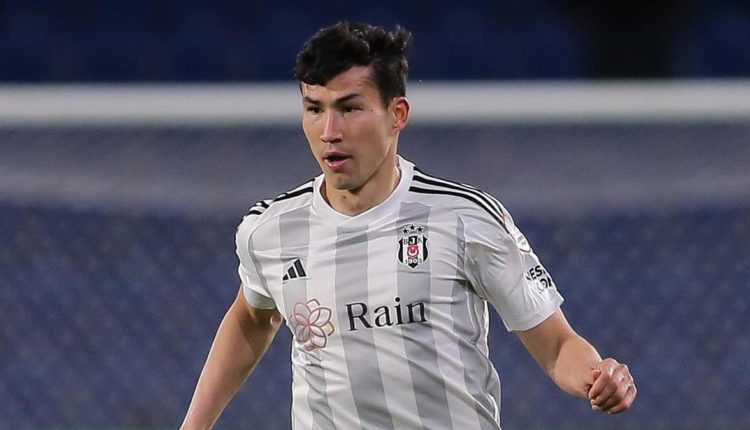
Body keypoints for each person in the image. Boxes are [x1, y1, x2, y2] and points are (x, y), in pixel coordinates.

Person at [181, 22, 636, 429]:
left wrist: (595, 375)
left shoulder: (465, 218)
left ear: (397, 114)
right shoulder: (270, 230)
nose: (329, 131)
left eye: (349, 108)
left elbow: (556, 345)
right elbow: (252, 318)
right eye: (314, 109)